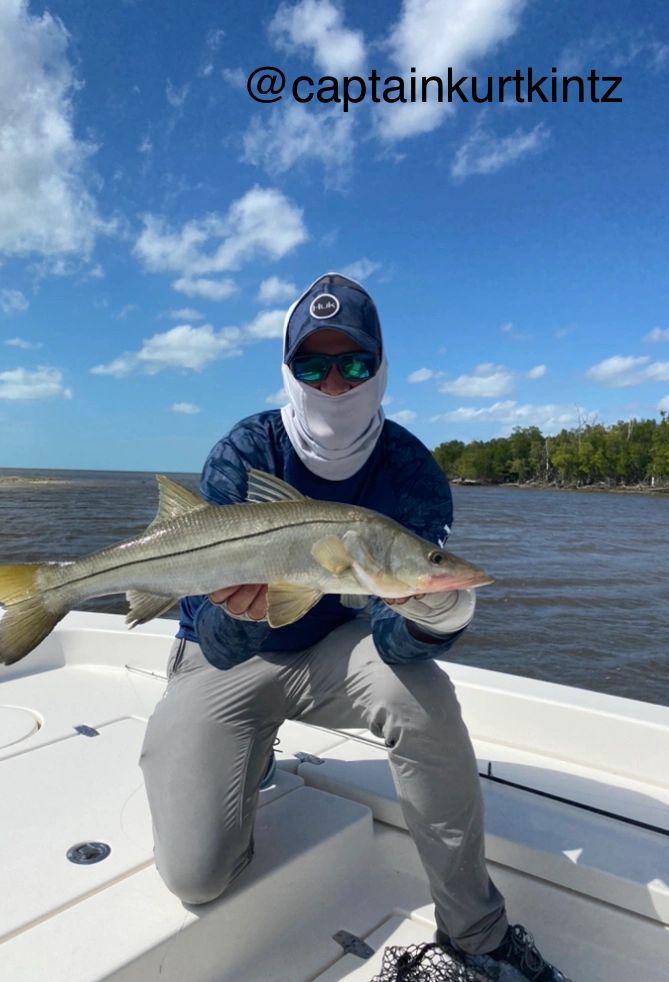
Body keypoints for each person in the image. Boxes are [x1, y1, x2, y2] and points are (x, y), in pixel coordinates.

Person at [140, 273, 571, 981]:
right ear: (289, 371)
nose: (334, 383)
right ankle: (248, 762)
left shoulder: (410, 470)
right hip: (225, 658)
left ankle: (477, 935)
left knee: (423, 697)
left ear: (381, 368)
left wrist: (436, 617)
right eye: (314, 364)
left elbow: (396, 641)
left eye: (354, 363)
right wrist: (241, 614)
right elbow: (216, 644)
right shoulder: (245, 452)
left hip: (332, 649)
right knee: (196, 876)